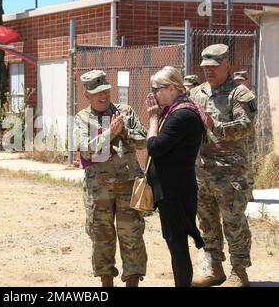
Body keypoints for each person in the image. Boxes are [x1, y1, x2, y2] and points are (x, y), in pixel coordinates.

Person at [190, 44, 257, 287]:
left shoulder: (240, 94)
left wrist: (215, 126)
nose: (209, 71)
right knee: (206, 222)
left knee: (234, 222)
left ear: (227, 64)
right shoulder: (197, 93)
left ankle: (239, 272)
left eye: (214, 66)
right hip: (203, 170)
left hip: (230, 172)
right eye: (205, 67)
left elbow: (245, 125)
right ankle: (214, 268)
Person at [74, 70, 147, 287]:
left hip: (128, 187)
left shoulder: (125, 112)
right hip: (99, 190)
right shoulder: (82, 119)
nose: (103, 96)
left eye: (105, 90)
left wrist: (123, 131)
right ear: (86, 94)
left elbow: (143, 141)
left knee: (132, 237)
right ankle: (106, 284)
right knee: (101, 238)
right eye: (97, 92)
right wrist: (110, 134)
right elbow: (85, 150)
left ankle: (132, 282)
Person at [145, 66, 208, 287]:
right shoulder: (176, 111)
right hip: (172, 189)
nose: (153, 94)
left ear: (172, 88)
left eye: (157, 89)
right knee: (174, 242)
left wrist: (153, 119)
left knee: (178, 245)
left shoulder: (182, 115)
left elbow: (154, 147)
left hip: (176, 191)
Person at [234, 70, 256, 201]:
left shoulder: (249, 97)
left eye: (241, 80)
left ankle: (249, 192)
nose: (239, 83)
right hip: (236, 136)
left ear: (246, 81)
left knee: (247, 163)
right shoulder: (233, 95)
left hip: (247, 136)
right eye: (237, 81)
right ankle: (240, 191)